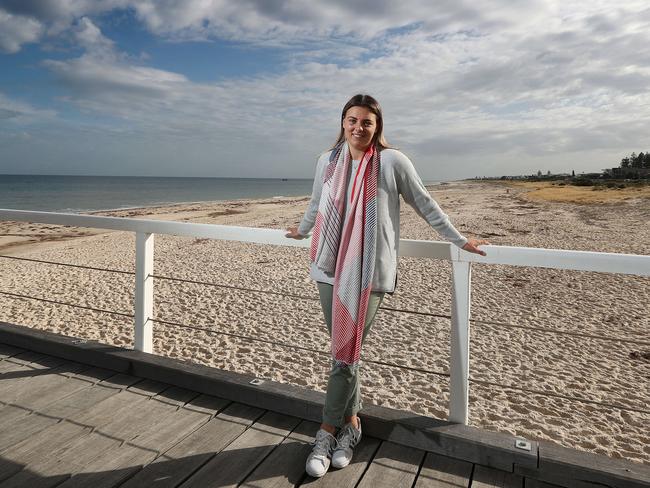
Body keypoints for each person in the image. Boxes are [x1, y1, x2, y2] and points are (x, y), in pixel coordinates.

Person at [286, 94, 487, 478]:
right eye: (352, 120)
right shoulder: (326, 161)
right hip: (327, 268)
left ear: (377, 126)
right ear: (342, 122)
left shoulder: (393, 161)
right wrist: (303, 230)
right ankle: (353, 427)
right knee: (345, 354)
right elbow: (316, 203)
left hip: (370, 273)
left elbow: (425, 203)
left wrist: (460, 240)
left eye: (367, 122)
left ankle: (327, 432)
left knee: (345, 353)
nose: (358, 127)